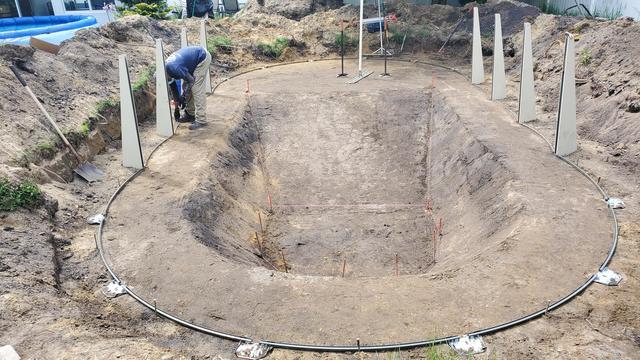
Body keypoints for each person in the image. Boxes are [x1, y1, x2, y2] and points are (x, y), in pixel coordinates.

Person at [166, 46, 212, 130]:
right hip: (191, 62)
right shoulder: (166, 72)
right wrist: (176, 108)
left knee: (196, 88)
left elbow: (191, 80)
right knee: (186, 86)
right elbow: (174, 90)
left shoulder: (173, 68)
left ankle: (201, 120)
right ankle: (190, 114)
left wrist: (184, 96)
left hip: (201, 57)